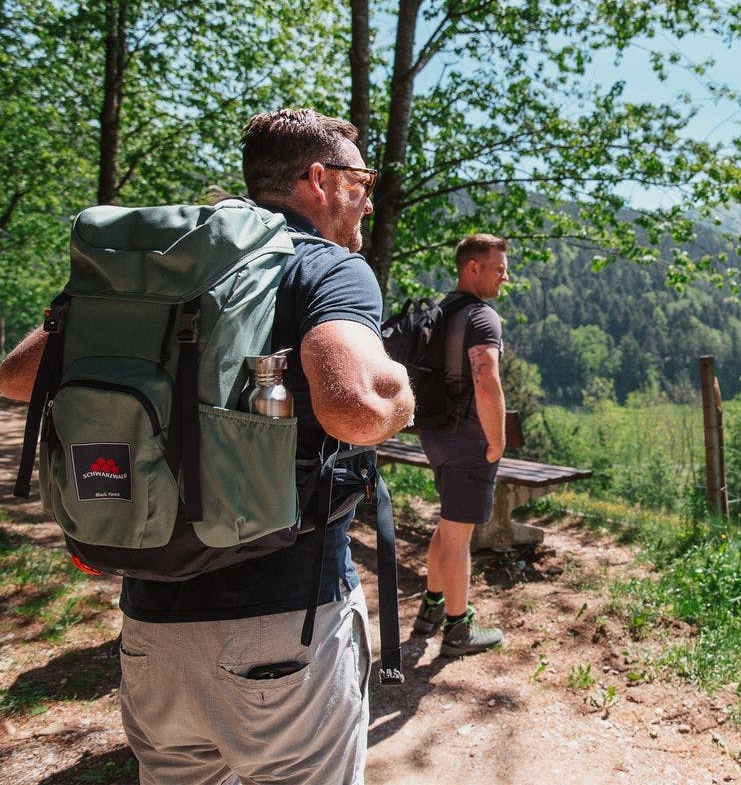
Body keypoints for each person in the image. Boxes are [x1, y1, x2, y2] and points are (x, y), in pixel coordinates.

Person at [0, 108, 414, 785]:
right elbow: (358, 410)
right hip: (283, 625)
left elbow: (19, 376)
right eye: (359, 178)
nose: (367, 193)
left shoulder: (166, 270)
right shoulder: (326, 269)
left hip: (149, 628)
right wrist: (402, 395)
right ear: (320, 180)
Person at [413, 234, 510, 657]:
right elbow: (486, 380)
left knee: (449, 525)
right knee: (458, 536)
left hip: (434, 432)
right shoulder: (482, 317)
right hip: (468, 438)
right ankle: (458, 627)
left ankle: (431, 607)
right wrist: (497, 439)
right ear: (473, 267)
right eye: (499, 267)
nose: (506, 275)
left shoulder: (441, 309)